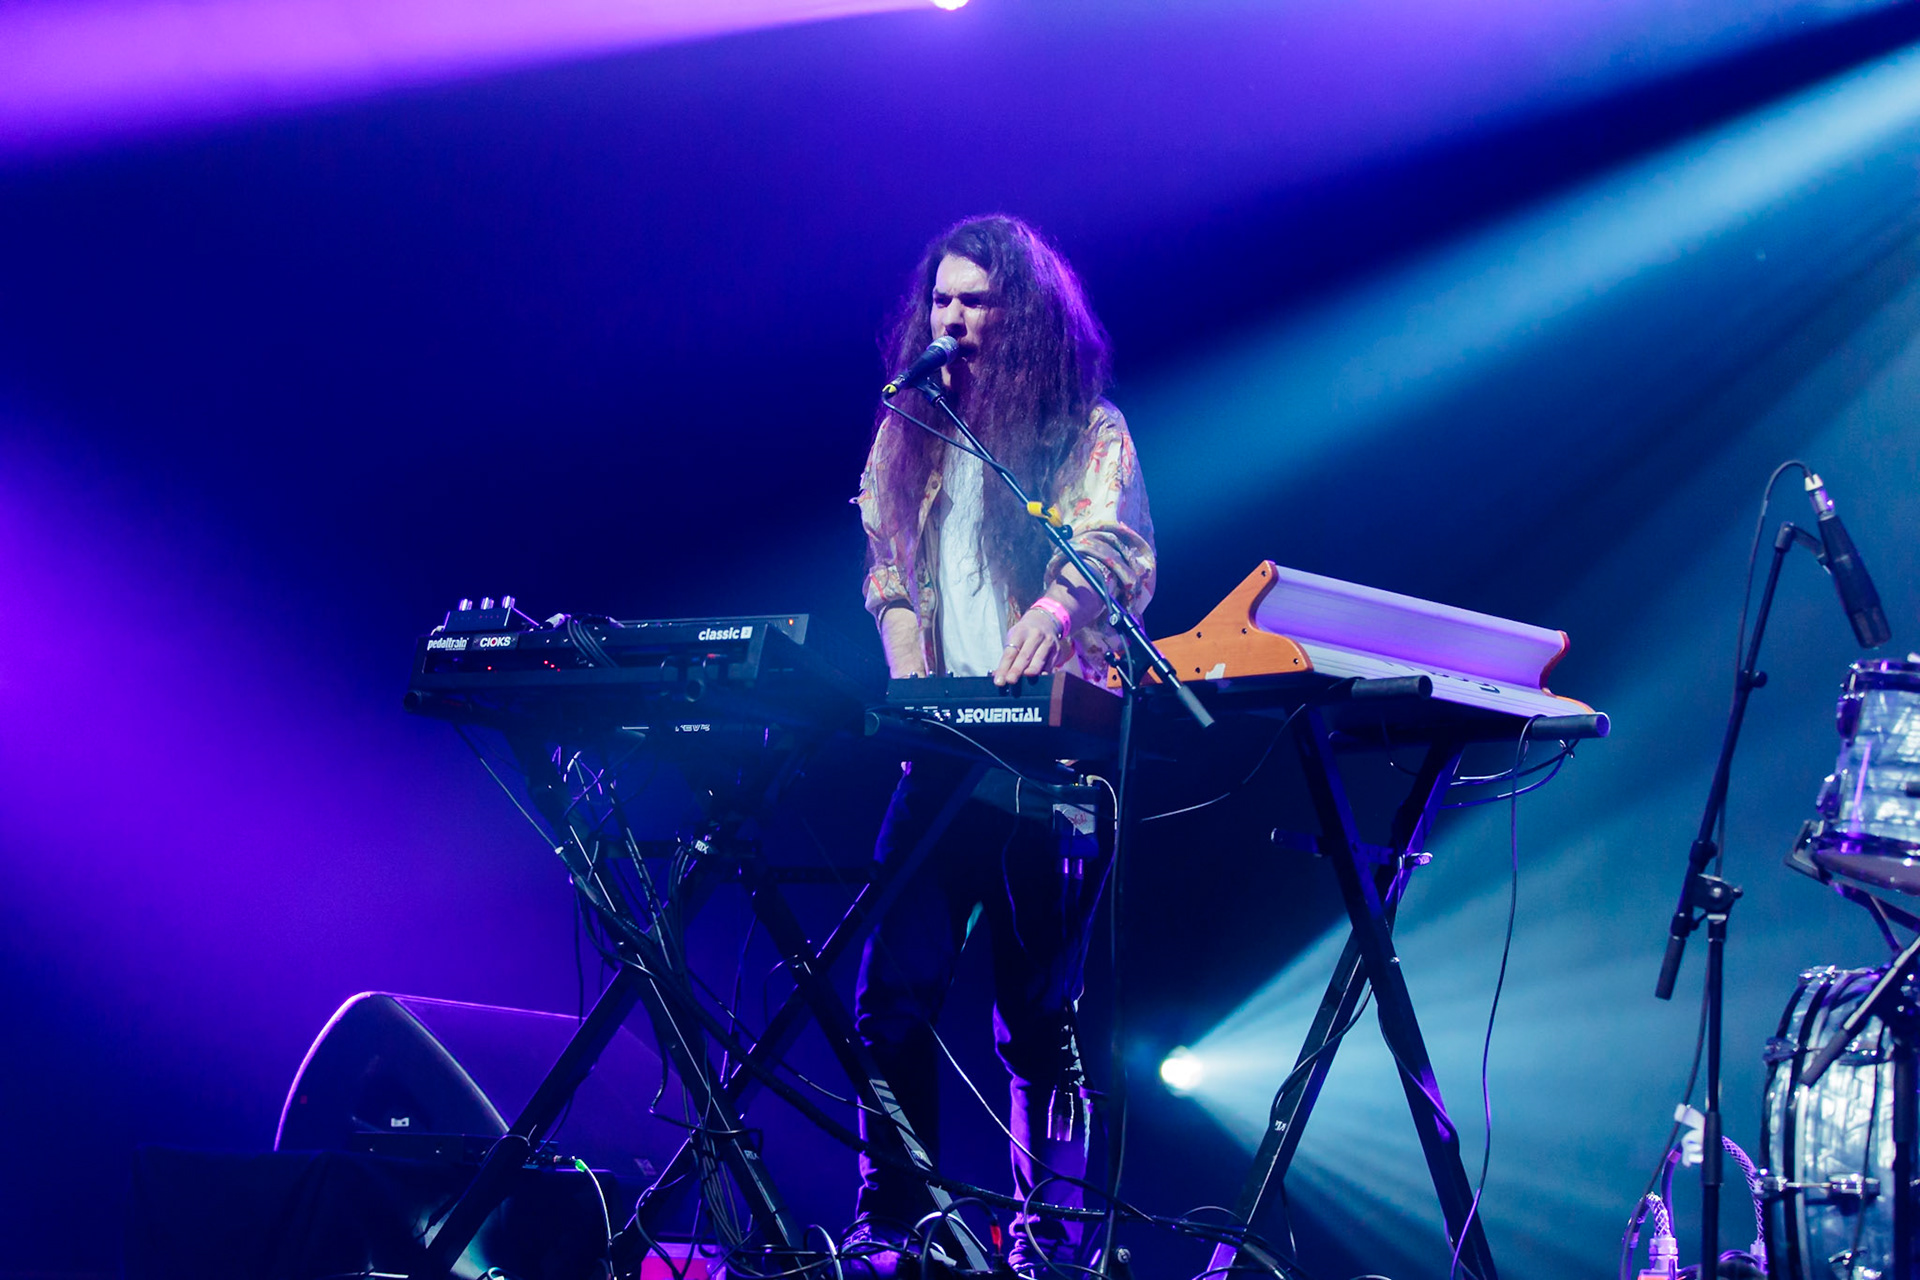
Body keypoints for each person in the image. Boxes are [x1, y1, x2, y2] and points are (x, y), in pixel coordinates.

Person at [849, 214, 1155, 1276]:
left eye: (975, 300)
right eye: (941, 299)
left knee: (1037, 1018)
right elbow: (885, 555)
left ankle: (1047, 1245)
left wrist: (1059, 609)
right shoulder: (910, 426)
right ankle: (898, 1223)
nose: (952, 317)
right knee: (890, 996)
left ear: (1019, 315)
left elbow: (1114, 542)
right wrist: (902, 651)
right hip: (943, 751)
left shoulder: (1084, 427)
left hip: (1052, 761)